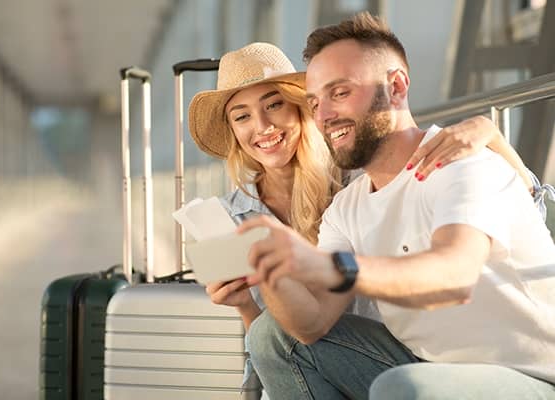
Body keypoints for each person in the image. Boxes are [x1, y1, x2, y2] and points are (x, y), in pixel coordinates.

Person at [186, 41, 543, 397]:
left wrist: (491, 134)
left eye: (275, 104)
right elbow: (296, 333)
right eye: (242, 116)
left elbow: (521, 216)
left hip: (497, 367)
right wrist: (263, 281)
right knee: (269, 333)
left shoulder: (370, 171)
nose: (262, 126)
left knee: (398, 385)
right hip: (386, 359)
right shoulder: (257, 214)